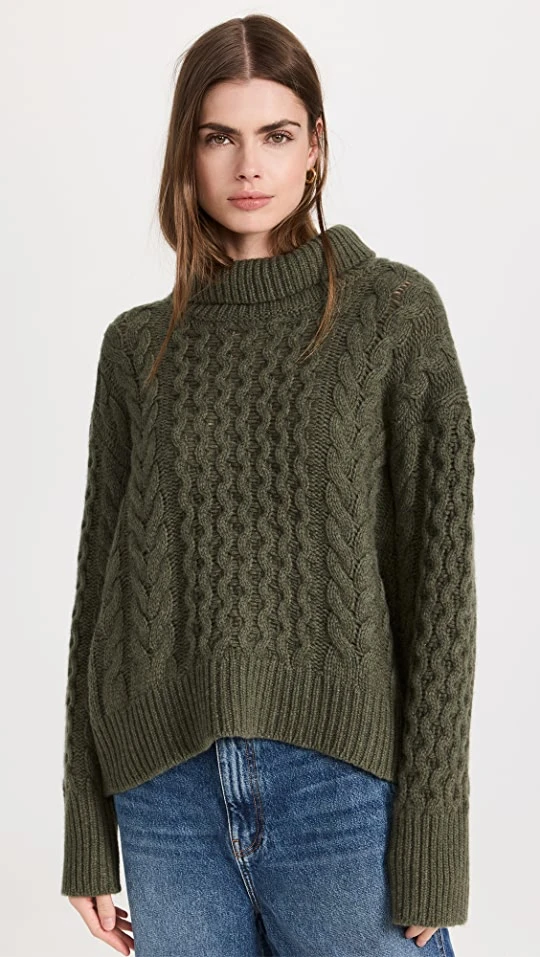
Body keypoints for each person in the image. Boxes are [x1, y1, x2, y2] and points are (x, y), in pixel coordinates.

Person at [60, 13, 476, 957]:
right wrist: (87, 822)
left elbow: (441, 589)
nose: (249, 165)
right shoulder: (137, 346)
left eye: (276, 134)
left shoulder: (394, 315)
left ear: (315, 145)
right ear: (188, 152)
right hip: (165, 799)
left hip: (342, 792)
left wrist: (436, 832)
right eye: (219, 136)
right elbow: (100, 593)